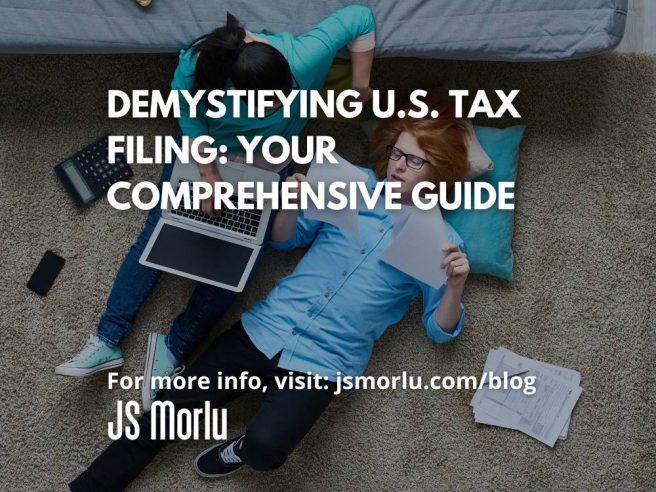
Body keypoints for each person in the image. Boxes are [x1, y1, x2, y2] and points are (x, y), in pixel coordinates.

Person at [69, 96, 471, 490]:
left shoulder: (442, 242)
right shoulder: (355, 186)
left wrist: (455, 286)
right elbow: (284, 240)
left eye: (413, 160)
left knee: (266, 450)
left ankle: (241, 447)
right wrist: (292, 204)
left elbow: (439, 329)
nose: (397, 166)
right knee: (164, 415)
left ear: (440, 169)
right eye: (396, 153)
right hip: (266, 328)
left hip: (324, 362)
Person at [55, 6, 376, 411]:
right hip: (207, 160)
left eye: (280, 100)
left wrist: (362, 84)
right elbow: (190, 120)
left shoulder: (304, 56)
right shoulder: (198, 64)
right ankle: (107, 339)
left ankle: (173, 350)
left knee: (238, 264)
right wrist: (209, 177)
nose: (270, 111)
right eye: (260, 105)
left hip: (269, 165)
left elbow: (361, 16)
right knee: (157, 236)